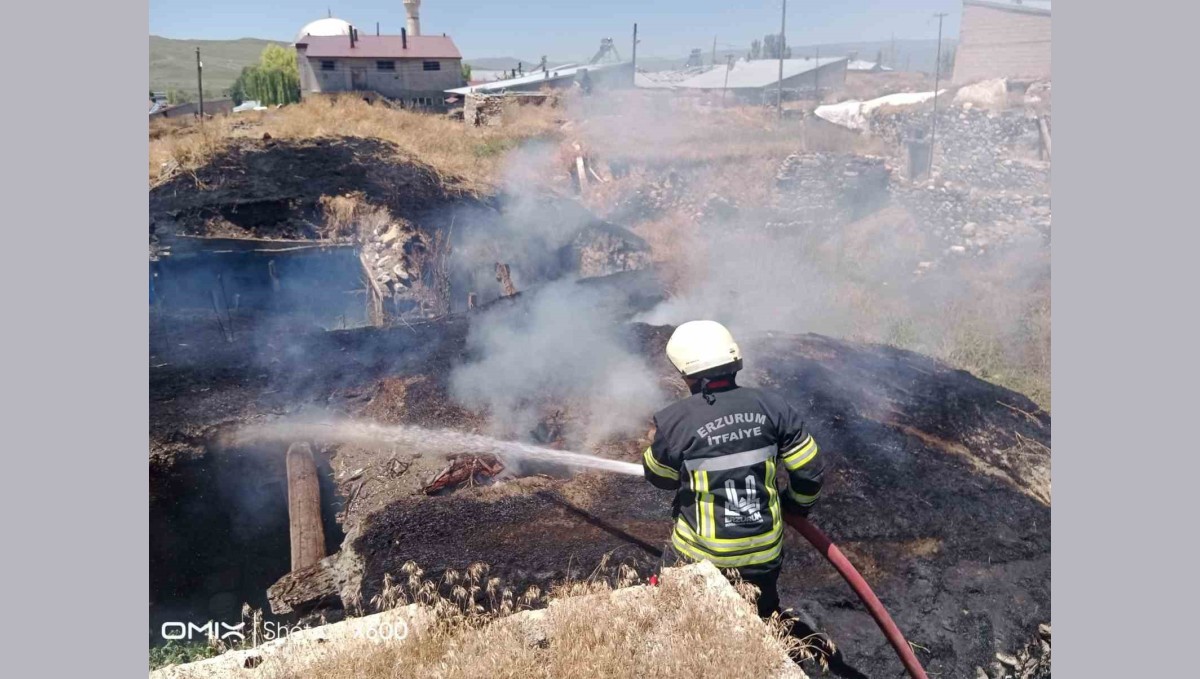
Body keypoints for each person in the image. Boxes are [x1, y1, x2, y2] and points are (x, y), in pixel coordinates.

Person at [642, 320, 825, 618]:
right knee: (759, 614)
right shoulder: (773, 406)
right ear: (734, 362)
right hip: (764, 554)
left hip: (699, 555)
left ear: (685, 372)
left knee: (666, 606)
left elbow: (660, 477)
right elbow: (810, 469)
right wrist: (795, 506)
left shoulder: (676, 420)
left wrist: (662, 446)